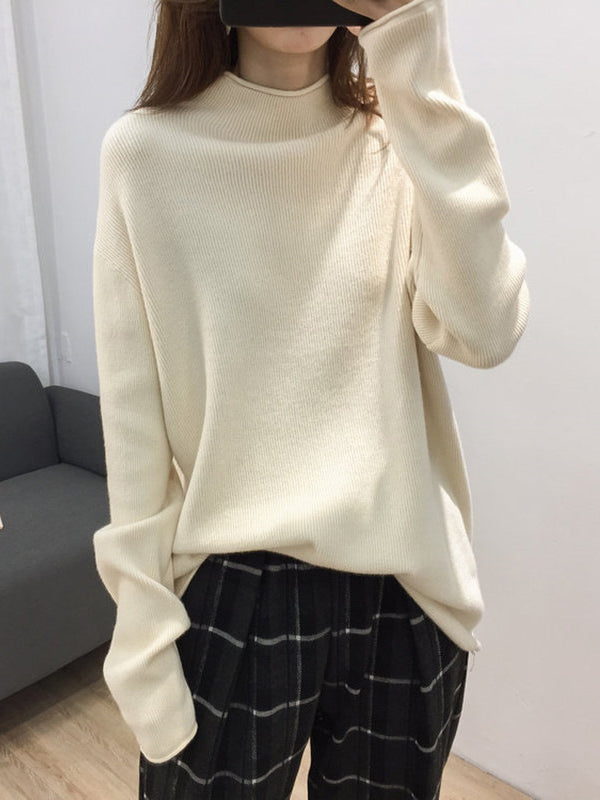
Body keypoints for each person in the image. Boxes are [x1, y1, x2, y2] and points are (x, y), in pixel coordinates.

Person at [91, 0, 530, 798]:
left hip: (403, 591)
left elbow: (486, 331)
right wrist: (143, 632)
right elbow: (132, 417)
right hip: (235, 590)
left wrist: (414, 44)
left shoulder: (399, 141)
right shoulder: (146, 154)